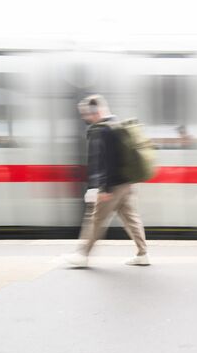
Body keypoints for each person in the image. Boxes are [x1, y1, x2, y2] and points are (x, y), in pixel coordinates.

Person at [63, 95, 150, 267]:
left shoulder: (102, 130)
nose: (85, 117)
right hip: (126, 183)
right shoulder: (116, 125)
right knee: (131, 219)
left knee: (96, 220)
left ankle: (82, 255)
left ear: (96, 112)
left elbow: (104, 162)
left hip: (112, 186)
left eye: (87, 113)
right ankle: (143, 254)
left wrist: (103, 189)